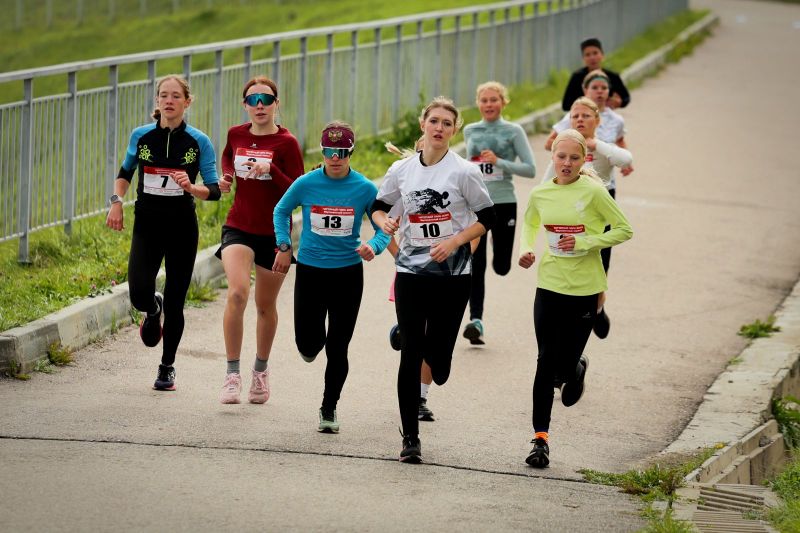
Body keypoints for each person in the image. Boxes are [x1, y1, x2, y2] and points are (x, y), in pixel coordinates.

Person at [371, 96, 496, 463]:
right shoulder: (402, 169)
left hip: (453, 276)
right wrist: (384, 223)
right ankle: (410, 438)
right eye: (434, 121)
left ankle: (436, 356)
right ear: (422, 124)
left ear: (454, 130)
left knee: (438, 363)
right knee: (411, 354)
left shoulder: (464, 172)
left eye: (447, 123)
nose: (439, 128)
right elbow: (378, 207)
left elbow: (487, 217)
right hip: (411, 273)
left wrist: (455, 241)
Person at [518, 129, 632, 468]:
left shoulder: (594, 192)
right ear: (553, 157)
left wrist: (585, 243)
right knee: (544, 361)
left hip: (585, 289)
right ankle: (540, 440)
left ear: (584, 160)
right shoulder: (541, 193)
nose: (566, 163)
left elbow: (624, 229)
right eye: (561, 156)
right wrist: (526, 249)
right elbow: (530, 224)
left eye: (574, 158)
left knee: (563, 368)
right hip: (550, 285)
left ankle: (576, 367)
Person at [273, 121, 389, 433]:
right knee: (308, 344)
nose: (335, 157)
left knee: (338, 346)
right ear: (322, 152)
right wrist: (284, 245)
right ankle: (311, 345)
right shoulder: (306, 183)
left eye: (341, 152)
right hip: (311, 272)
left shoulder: (365, 188)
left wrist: (374, 246)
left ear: (351, 152)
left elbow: (384, 228)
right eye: (329, 151)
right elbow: (280, 211)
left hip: (347, 275)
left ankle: (329, 406)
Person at [106, 75, 221, 391]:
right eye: (164, 95)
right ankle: (151, 308)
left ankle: (167, 366)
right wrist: (116, 202)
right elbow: (125, 173)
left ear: (187, 102)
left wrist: (192, 187)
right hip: (147, 225)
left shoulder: (199, 141)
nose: (169, 101)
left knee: (176, 300)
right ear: (157, 100)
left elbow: (214, 190)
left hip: (182, 228)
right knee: (138, 292)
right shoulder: (141, 136)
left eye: (176, 96)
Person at [216, 76, 305, 405]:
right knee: (237, 293)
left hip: (274, 232)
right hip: (238, 226)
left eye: (266, 99)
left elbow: (298, 190)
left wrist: (272, 170)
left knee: (265, 306)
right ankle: (232, 375)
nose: (259, 106)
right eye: (252, 100)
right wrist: (227, 176)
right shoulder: (236, 134)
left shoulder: (287, 143)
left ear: (276, 104)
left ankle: (260, 371)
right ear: (245, 105)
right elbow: (228, 156)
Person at [462, 81, 536, 345]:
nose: (489, 104)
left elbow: (530, 169)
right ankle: (476, 321)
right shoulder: (470, 130)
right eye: (484, 100)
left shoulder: (513, 131)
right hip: (476, 205)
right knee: (475, 265)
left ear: (503, 102)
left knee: (502, 267)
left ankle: (498, 244)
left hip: (504, 202)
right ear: (478, 103)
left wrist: (499, 162)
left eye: (494, 99)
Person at [561, 38, 630, 111]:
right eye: (587, 55)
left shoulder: (613, 77)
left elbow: (626, 98)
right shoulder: (577, 77)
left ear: (602, 55)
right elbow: (566, 105)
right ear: (583, 58)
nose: (592, 58)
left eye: (595, 53)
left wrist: (618, 102)